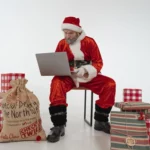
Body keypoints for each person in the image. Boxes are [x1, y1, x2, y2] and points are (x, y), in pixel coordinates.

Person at [47, 16, 116, 143]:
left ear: (78, 32)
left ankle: (101, 121)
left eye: (70, 33)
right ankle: (59, 125)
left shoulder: (90, 42)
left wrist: (86, 70)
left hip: (88, 76)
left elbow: (98, 62)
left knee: (110, 84)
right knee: (56, 83)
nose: (67, 36)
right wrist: (58, 69)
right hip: (68, 77)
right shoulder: (62, 43)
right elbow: (57, 62)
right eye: (65, 33)